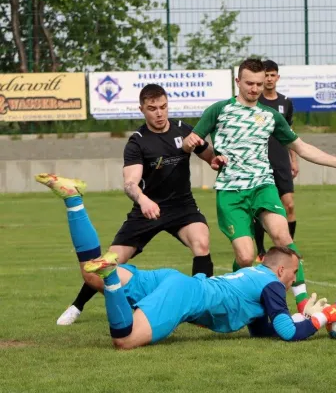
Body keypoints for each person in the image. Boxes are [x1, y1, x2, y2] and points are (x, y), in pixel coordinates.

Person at [35, 172, 336, 349]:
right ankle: (111, 279)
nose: (293, 281)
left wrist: (301, 320)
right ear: (281, 270)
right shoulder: (271, 284)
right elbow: (286, 333)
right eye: (294, 275)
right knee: (125, 340)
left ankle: (74, 199)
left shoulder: (255, 277)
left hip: (178, 282)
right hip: (185, 294)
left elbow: (261, 331)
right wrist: (323, 316)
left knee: (89, 276)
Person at [184, 58, 336, 314]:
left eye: (258, 84)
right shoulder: (219, 110)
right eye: (249, 83)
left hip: (263, 186)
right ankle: (240, 298)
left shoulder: (270, 116)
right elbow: (192, 144)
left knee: (283, 237)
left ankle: (303, 304)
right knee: (246, 257)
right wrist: (195, 146)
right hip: (231, 192)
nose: (255, 88)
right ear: (238, 82)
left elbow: (302, 147)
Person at [55, 84, 223, 326]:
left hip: (181, 207)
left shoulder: (183, 129)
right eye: (152, 108)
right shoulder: (137, 142)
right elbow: (130, 183)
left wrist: (216, 159)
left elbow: (210, 157)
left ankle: (203, 305)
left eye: (163, 107)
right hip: (145, 211)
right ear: (142, 109)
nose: (159, 113)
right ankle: (77, 305)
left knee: (202, 241)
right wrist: (143, 200)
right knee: (109, 262)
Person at [253, 59, 298, 261]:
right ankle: (261, 251)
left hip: (281, 160)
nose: (269, 79)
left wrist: (293, 160)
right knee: (260, 208)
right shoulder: (255, 102)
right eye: (266, 75)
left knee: (289, 205)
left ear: (277, 77)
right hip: (260, 159)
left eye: (273, 75)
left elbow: (290, 134)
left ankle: (288, 250)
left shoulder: (285, 102)